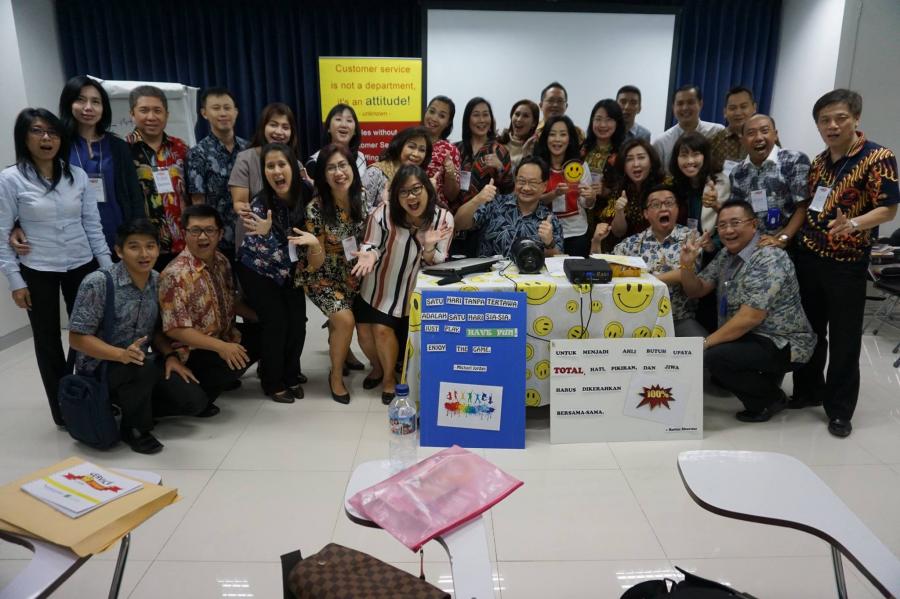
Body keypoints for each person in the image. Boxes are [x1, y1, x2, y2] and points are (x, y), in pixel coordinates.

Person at [791, 89, 899, 438]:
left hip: (846, 264)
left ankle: (839, 410)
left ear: (856, 118)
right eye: (825, 120)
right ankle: (808, 390)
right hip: (810, 257)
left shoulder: (878, 157)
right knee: (809, 331)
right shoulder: (819, 162)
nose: (832, 126)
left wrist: (853, 223)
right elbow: (812, 204)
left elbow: (888, 209)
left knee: (844, 339)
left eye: (840, 118)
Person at [0, 108, 112, 426]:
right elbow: (2, 231)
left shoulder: (76, 175)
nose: (46, 138)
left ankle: (90, 395)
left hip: (81, 263)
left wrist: (107, 269)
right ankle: (62, 408)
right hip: (38, 268)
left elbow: (92, 225)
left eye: (52, 132)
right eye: (37, 131)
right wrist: (15, 281)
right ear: (24, 137)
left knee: (88, 333)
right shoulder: (10, 179)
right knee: (47, 339)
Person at [68, 220, 206, 454]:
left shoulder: (158, 281)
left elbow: (156, 331)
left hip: (139, 362)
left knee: (194, 401)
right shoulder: (99, 283)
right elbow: (77, 338)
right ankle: (134, 428)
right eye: (134, 247)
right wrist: (120, 355)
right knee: (143, 367)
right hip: (101, 368)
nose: (144, 254)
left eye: (150, 246)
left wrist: (170, 356)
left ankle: (132, 406)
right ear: (119, 251)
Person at [679, 200, 816, 422]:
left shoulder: (769, 257)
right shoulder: (726, 255)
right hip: (751, 336)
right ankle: (764, 383)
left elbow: (750, 317)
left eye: (735, 223)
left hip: (783, 341)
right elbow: (697, 290)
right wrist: (686, 265)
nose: (728, 230)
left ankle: (770, 400)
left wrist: (704, 344)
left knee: (715, 357)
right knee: (718, 362)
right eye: (722, 225)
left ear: (753, 225)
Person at [8, 76, 144, 255]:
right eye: (80, 100)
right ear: (69, 103)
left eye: (95, 102)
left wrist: (138, 236)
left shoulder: (118, 146)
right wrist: (17, 225)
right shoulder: (55, 144)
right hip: (71, 239)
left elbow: (134, 195)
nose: (88, 107)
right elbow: (32, 187)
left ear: (103, 108)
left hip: (118, 232)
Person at [352, 165, 454, 404]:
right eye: (404, 192)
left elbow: (437, 261)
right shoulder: (383, 213)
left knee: (382, 331)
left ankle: (389, 379)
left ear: (427, 189)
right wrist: (369, 254)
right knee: (364, 334)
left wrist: (428, 247)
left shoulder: (442, 219)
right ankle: (378, 368)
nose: (411, 197)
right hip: (377, 285)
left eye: (416, 189)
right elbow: (371, 244)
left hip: (409, 291)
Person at [159, 204, 261, 416]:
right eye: (195, 231)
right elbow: (175, 329)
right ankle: (201, 388)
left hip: (225, 335)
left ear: (220, 233)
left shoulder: (222, 261)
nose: (202, 237)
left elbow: (231, 301)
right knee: (215, 379)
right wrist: (222, 347)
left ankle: (220, 378)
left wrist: (261, 318)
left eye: (209, 230)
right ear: (185, 233)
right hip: (194, 351)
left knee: (265, 333)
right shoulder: (175, 274)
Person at [294, 145, 368, 404]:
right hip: (320, 275)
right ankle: (335, 376)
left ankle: (344, 352)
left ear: (352, 168)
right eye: (331, 168)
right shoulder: (316, 208)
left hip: (352, 272)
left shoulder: (362, 197)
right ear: (323, 175)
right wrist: (315, 244)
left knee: (347, 318)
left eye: (343, 165)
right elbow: (316, 261)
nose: (339, 172)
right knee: (345, 319)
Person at [236, 144, 311, 403]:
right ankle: (272, 381)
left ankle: (291, 373)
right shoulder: (260, 206)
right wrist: (268, 233)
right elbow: (270, 252)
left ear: (293, 167)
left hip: (289, 269)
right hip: (258, 269)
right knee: (276, 323)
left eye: (282, 164)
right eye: (270, 166)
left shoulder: (306, 192)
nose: (277, 171)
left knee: (298, 322)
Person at [594, 184, 705, 337]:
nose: (663, 208)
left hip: (678, 318)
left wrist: (644, 280)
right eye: (656, 205)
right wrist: (596, 242)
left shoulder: (691, 238)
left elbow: (685, 273)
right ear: (646, 214)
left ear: (677, 209)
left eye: (669, 203)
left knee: (702, 347)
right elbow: (601, 269)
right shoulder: (633, 243)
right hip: (637, 319)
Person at [126, 85, 191, 272]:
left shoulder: (180, 147)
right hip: (145, 247)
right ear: (132, 114)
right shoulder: (123, 150)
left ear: (166, 115)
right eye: (144, 110)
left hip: (183, 243)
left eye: (157, 110)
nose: (151, 117)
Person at [229, 103, 304, 254]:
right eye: (273, 125)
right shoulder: (246, 158)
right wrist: (254, 214)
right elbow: (240, 203)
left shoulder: (297, 165)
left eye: (285, 127)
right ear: (263, 127)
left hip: (288, 242)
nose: (279, 131)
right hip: (254, 239)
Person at [453, 156, 563, 257]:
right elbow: (458, 224)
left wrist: (549, 244)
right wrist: (477, 199)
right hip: (488, 272)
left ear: (544, 186)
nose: (526, 188)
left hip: (528, 273)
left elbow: (557, 262)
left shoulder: (550, 221)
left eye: (532, 183)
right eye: (521, 181)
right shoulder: (495, 204)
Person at [729, 114, 811, 246]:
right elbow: (738, 211)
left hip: (789, 243)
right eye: (751, 133)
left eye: (764, 131)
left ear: (775, 135)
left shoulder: (794, 160)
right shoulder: (737, 172)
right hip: (751, 242)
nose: (758, 138)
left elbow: (803, 207)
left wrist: (783, 238)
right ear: (742, 140)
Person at [186, 87, 248, 262]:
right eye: (216, 108)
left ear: (236, 112)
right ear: (204, 113)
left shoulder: (249, 149)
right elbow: (198, 202)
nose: (223, 113)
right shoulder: (198, 154)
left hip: (249, 237)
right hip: (216, 242)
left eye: (227, 108)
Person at [450, 98, 513, 256]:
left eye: (486, 115)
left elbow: (509, 190)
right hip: (456, 224)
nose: (482, 120)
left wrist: (500, 168)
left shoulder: (499, 150)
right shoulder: (456, 149)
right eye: (476, 115)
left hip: (487, 225)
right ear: (468, 119)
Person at [533, 115, 595, 256]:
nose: (557, 139)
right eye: (552, 134)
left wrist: (591, 197)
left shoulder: (580, 166)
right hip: (544, 232)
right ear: (545, 138)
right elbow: (532, 200)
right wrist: (554, 194)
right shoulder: (537, 166)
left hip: (576, 232)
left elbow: (586, 204)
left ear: (570, 138)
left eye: (563, 134)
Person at [595, 138, 666, 252]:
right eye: (629, 159)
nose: (636, 164)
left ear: (651, 162)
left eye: (641, 157)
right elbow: (618, 232)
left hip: (658, 248)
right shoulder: (620, 188)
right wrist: (619, 211)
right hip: (627, 250)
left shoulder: (664, 187)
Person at [669, 132, 730, 236]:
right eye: (684, 155)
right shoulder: (674, 184)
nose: (690, 161)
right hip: (681, 241)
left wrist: (715, 205)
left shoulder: (720, 182)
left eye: (695, 154)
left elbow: (731, 220)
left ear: (705, 156)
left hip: (712, 241)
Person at [652, 84, 725, 170]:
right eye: (680, 103)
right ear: (673, 107)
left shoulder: (717, 132)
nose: (685, 108)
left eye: (690, 102)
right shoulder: (661, 143)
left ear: (700, 104)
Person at [362, 126, 433, 212]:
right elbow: (361, 211)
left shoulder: (422, 178)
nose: (416, 154)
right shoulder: (375, 172)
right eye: (411, 147)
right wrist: (384, 208)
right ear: (399, 145)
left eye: (422, 150)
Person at [306, 103, 368, 178]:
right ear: (328, 128)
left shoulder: (361, 158)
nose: (344, 125)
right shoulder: (315, 162)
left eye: (349, 120)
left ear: (355, 131)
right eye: (338, 119)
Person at [421, 96, 460, 209]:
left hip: (435, 210)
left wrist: (450, 174)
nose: (434, 118)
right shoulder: (410, 140)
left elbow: (452, 196)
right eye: (432, 111)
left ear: (448, 123)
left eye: (442, 116)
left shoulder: (450, 150)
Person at [709, 86, 756, 173]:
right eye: (732, 108)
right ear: (725, 112)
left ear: (754, 108)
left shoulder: (765, 139)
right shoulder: (713, 141)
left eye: (743, 107)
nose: (738, 112)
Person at [497, 99, 539, 167]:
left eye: (525, 116)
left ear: (533, 123)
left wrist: (526, 157)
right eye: (517, 114)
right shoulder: (498, 142)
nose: (519, 119)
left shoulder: (536, 150)